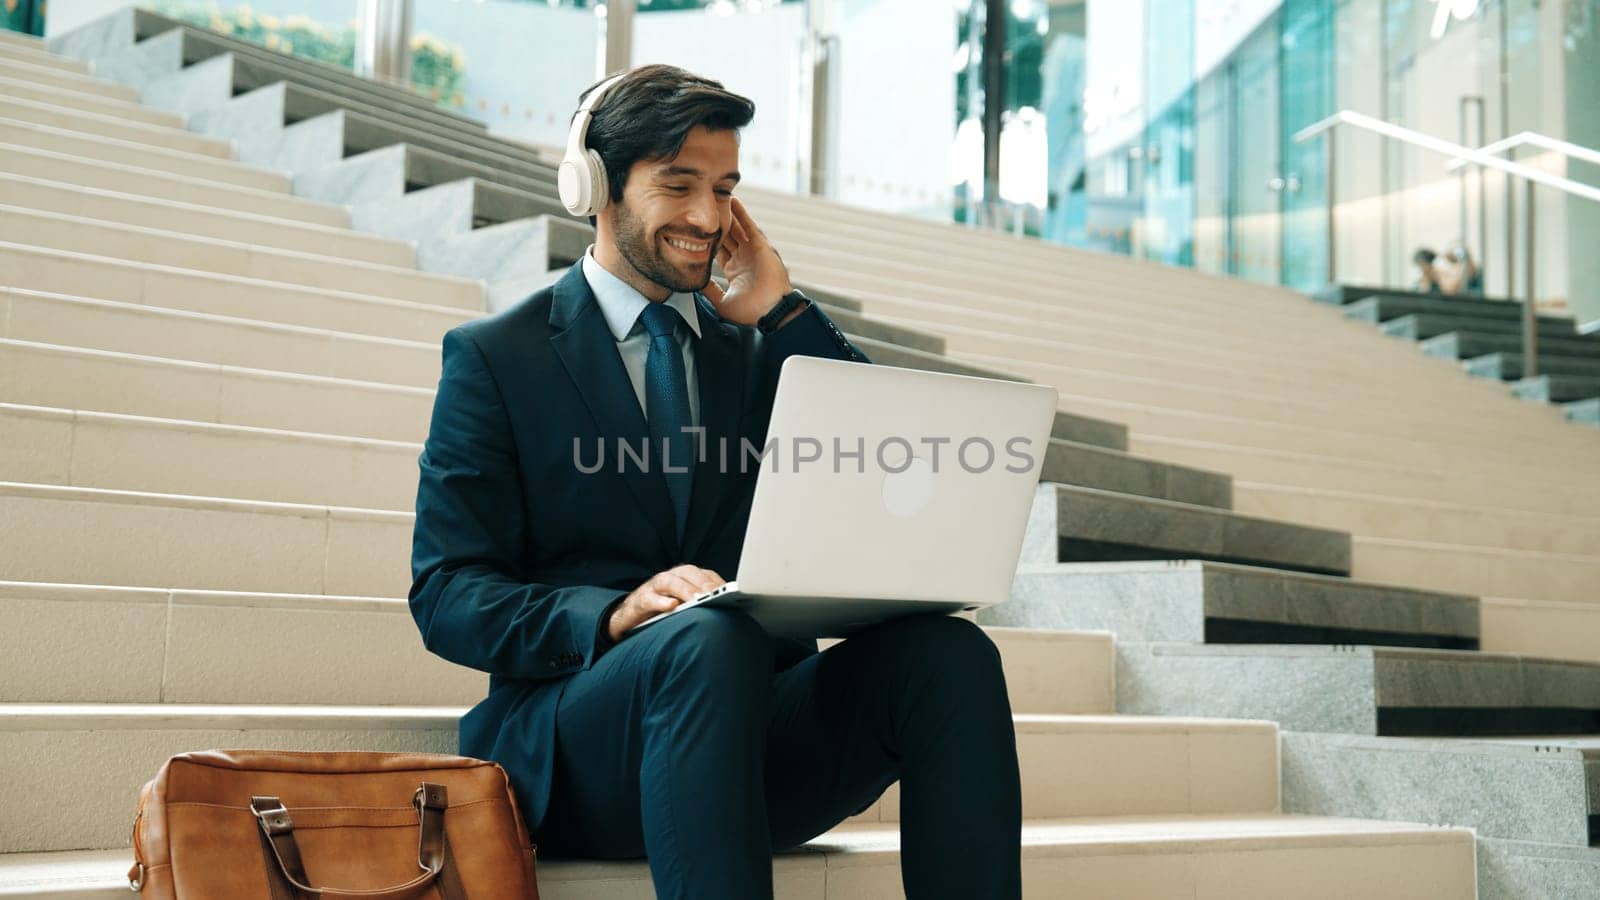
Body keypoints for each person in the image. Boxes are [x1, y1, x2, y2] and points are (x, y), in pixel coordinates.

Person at [408, 64, 1024, 900]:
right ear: (596, 186)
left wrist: (783, 312)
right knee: (706, 636)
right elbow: (446, 591)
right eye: (678, 185)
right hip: (582, 754)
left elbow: (891, 464)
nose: (708, 217)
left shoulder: (760, 353)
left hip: (752, 747)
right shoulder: (496, 358)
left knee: (950, 657)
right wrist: (613, 614)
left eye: (725, 189)